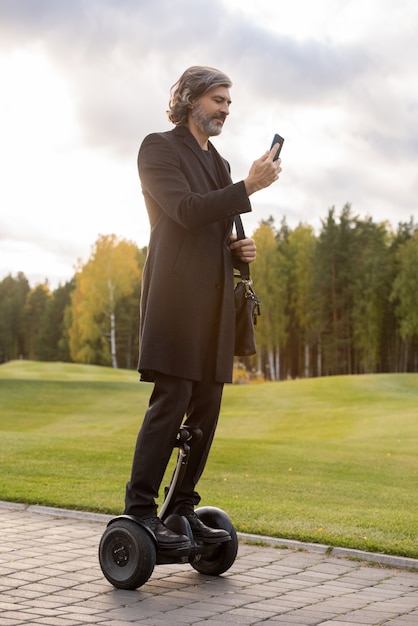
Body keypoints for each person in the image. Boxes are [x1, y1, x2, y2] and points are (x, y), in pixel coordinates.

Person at [124, 66, 282, 550]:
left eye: (229, 103)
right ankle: (141, 510)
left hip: (215, 304)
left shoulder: (221, 163)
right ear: (191, 99)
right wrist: (251, 187)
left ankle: (181, 508)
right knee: (171, 402)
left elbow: (217, 225)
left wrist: (240, 249)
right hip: (175, 300)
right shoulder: (158, 148)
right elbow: (188, 211)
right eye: (218, 100)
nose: (225, 111)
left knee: (208, 407)